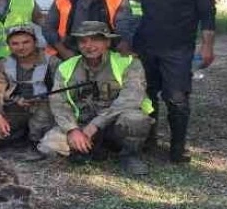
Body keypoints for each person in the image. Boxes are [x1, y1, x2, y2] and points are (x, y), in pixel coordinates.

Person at [126, 0, 216, 163]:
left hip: (178, 49)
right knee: (146, 96)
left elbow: (208, 16)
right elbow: (116, 1)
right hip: (144, 47)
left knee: (177, 98)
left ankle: (178, 147)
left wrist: (207, 46)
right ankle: (147, 140)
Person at [37, 21, 154, 176]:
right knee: (48, 146)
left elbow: (131, 98)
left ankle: (130, 156)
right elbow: (59, 102)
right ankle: (92, 148)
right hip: (82, 125)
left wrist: (96, 124)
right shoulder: (66, 67)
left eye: (96, 39)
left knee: (135, 119)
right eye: (83, 41)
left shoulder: (129, 63)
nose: (89, 45)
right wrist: (72, 130)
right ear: (77, 44)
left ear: (107, 42)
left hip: (114, 124)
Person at [0, 25, 59, 160]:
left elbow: (60, 93)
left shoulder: (52, 62)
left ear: (35, 42)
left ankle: (32, 139)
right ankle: (15, 137)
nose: (21, 47)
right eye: (15, 43)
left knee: (41, 131)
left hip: (44, 107)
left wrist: (42, 100)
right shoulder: (4, 63)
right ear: (9, 46)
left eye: (26, 42)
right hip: (14, 107)